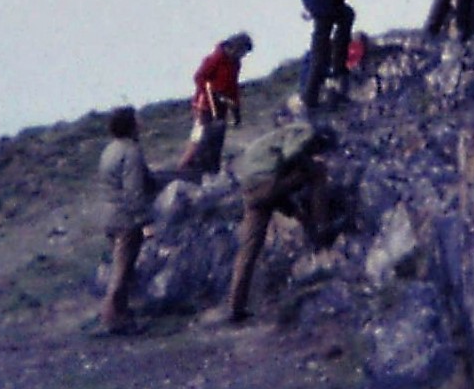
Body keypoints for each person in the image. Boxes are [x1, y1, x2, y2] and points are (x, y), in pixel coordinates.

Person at [225, 120, 343, 323]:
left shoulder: (273, 141)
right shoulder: (306, 131)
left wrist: (295, 212)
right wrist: (308, 165)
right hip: (268, 182)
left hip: (251, 189)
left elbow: (275, 196)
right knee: (318, 171)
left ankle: (236, 307)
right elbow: (292, 154)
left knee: (249, 250)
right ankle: (322, 227)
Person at [97, 105, 159, 334]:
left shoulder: (109, 150)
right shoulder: (131, 151)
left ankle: (120, 314)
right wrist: (145, 222)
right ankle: (112, 318)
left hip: (109, 216)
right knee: (121, 271)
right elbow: (134, 192)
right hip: (125, 219)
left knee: (120, 267)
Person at [174, 32, 251, 179]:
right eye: (242, 52)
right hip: (205, 105)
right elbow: (199, 78)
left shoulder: (235, 63)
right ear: (235, 47)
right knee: (200, 137)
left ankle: (212, 170)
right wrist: (213, 92)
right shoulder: (215, 59)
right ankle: (182, 169)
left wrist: (236, 109)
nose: (242, 56)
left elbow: (233, 86)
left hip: (221, 106)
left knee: (217, 138)